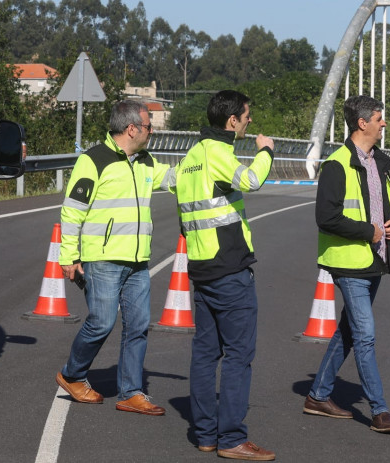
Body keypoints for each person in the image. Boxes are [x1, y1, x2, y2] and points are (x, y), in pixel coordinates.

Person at [169, 90, 275, 461]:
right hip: (229, 268)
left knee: (204, 354)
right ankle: (231, 438)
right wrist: (267, 151)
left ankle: (205, 435)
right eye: (246, 116)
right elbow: (250, 181)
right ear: (232, 121)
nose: (249, 121)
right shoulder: (218, 154)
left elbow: (187, 215)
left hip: (201, 267)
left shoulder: (191, 157)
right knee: (238, 355)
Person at [56, 100, 174, 416]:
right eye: (149, 126)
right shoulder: (94, 160)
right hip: (103, 259)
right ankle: (72, 374)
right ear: (131, 128)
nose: (152, 131)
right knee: (102, 322)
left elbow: (174, 178)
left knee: (138, 325)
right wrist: (69, 256)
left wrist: (203, 168)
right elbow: (72, 211)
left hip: (137, 260)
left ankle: (132, 392)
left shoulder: (147, 161)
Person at [303, 95, 390, 434]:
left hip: (374, 260)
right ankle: (379, 410)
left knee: (349, 332)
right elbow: (326, 217)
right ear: (362, 123)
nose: (384, 123)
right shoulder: (336, 165)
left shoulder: (379, 162)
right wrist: (369, 231)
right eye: (380, 118)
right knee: (365, 334)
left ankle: (318, 395)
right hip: (349, 263)